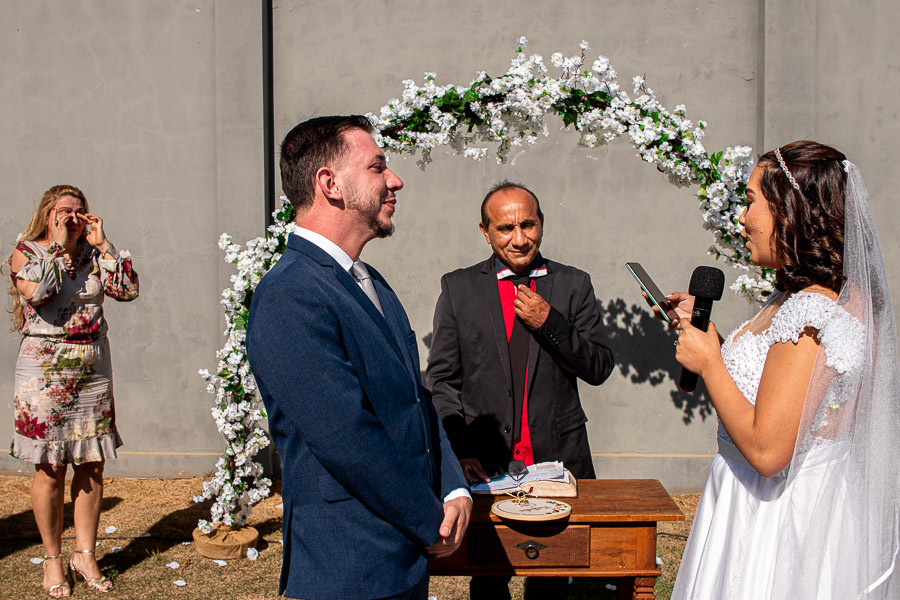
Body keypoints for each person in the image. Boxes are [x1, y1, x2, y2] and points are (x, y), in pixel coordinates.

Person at [651, 141, 900, 599]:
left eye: (749, 202)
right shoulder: (806, 296)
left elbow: (768, 452)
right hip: (772, 501)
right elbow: (781, 389)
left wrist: (708, 362)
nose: (741, 219)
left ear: (791, 210)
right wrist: (713, 341)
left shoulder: (810, 313)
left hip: (774, 520)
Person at [246, 115, 471, 600]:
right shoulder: (291, 294)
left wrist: (454, 489)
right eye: (378, 167)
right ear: (329, 184)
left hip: (401, 556)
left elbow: (416, 400)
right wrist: (430, 520)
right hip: (348, 567)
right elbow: (346, 436)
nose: (395, 180)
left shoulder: (371, 284)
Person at [426, 181, 614, 599]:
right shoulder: (459, 289)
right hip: (485, 464)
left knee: (557, 578)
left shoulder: (573, 284)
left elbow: (600, 367)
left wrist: (551, 323)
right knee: (489, 579)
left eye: (527, 225)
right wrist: (458, 450)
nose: (519, 238)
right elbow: (440, 379)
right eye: (505, 228)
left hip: (560, 461)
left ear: (541, 223)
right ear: (485, 231)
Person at [4, 185, 139, 597]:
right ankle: (52, 559)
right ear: (48, 215)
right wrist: (59, 248)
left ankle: (85, 553)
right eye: (64, 211)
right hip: (43, 372)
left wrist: (106, 245)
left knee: (92, 463)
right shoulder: (25, 253)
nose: (73, 218)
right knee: (50, 468)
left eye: (80, 212)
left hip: (91, 370)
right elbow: (39, 293)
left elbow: (128, 290)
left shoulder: (95, 255)